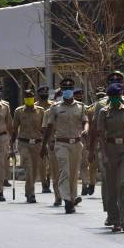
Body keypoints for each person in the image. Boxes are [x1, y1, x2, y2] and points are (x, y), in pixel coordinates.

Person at [41, 78, 89, 214]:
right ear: (61, 90)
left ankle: (72, 198)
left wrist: (86, 129)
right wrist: (44, 145)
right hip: (61, 143)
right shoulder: (55, 108)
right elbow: (49, 127)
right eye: (65, 88)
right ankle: (67, 199)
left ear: (72, 90)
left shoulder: (81, 106)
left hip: (76, 143)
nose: (67, 90)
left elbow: (85, 121)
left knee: (74, 174)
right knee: (65, 171)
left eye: (70, 88)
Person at [97, 83, 124, 232]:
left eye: (118, 96)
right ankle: (115, 220)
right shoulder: (103, 112)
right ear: (109, 97)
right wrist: (104, 155)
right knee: (111, 187)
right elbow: (101, 136)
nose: (116, 99)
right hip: (110, 150)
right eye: (113, 97)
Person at [11, 88, 45, 203]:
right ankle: (31, 193)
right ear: (24, 98)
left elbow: (44, 129)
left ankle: (28, 190)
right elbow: (14, 129)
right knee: (29, 168)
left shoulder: (41, 111)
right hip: (23, 143)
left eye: (30, 96)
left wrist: (46, 144)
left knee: (35, 171)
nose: (28, 98)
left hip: (37, 143)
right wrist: (11, 145)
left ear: (34, 97)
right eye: (26, 96)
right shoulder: (19, 111)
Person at [36, 85, 58, 199]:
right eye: (41, 93)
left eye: (45, 93)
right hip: (39, 138)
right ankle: (44, 184)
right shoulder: (35, 107)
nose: (44, 95)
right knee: (42, 163)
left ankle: (49, 177)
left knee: (52, 163)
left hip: (52, 137)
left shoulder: (53, 106)